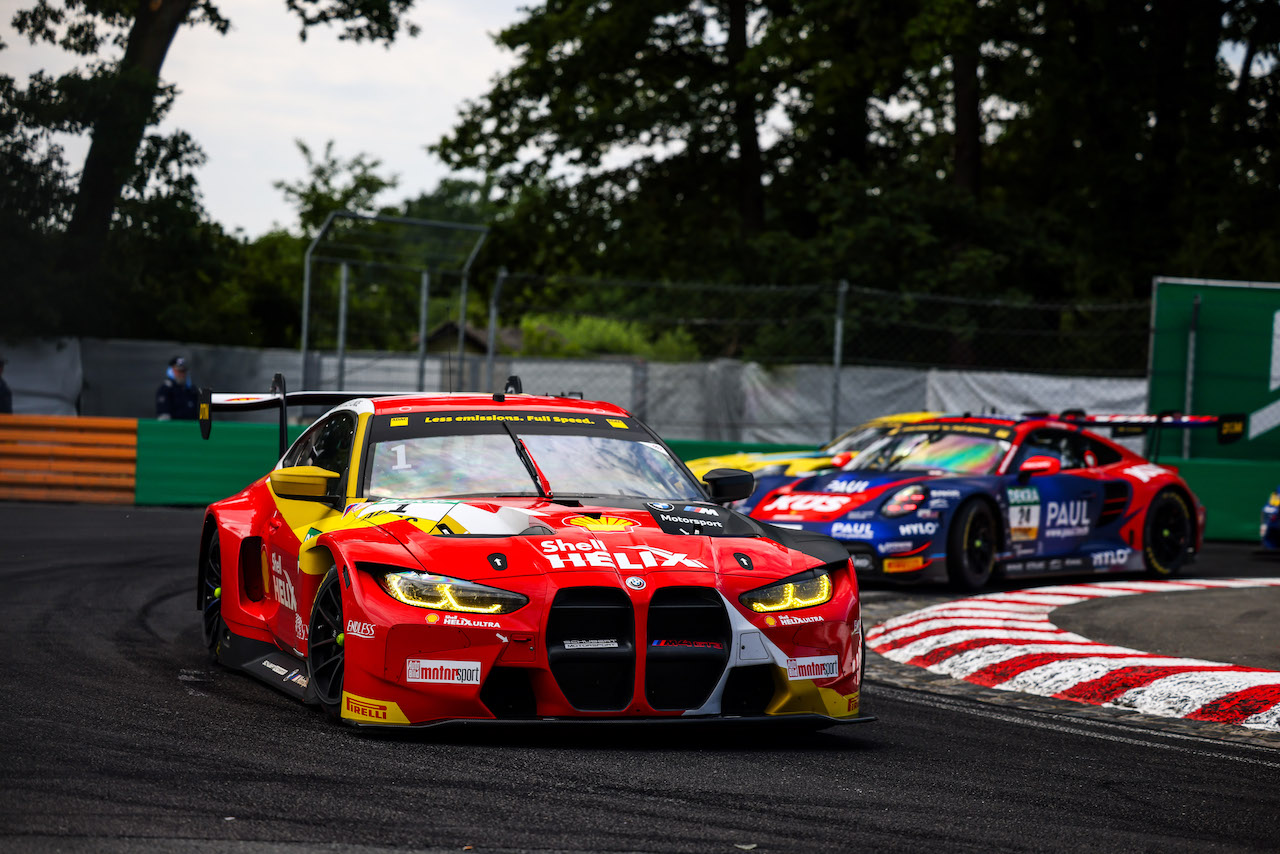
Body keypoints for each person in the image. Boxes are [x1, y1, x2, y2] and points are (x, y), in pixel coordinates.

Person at [156, 356, 199, 420]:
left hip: (191, 427)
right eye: (179, 371)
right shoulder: (166, 389)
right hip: (174, 428)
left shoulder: (192, 390)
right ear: (171, 371)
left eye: (183, 371)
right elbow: (163, 416)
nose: (181, 374)